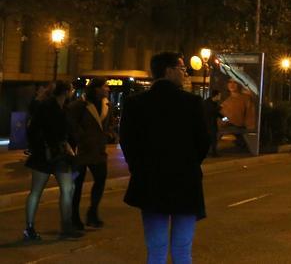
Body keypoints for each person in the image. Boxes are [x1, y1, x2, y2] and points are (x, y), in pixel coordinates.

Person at [121, 52, 210, 264]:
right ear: (168, 71)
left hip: (150, 182)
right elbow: (203, 142)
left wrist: (140, 168)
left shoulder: (135, 103)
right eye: (182, 68)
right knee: (182, 250)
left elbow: (128, 142)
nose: (185, 73)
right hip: (185, 182)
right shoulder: (192, 103)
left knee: (156, 249)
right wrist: (188, 163)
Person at [24, 81, 80, 241]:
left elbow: (33, 129)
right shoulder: (55, 108)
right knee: (64, 189)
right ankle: (64, 227)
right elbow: (40, 130)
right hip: (51, 154)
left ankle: (31, 227)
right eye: (71, 89)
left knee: (46, 190)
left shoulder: (51, 107)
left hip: (49, 154)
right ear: (67, 92)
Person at [67, 79, 111, 229]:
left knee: (100, 180)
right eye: (105, 86)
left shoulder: (106, 105)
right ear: (96, 89)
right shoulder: (79, 105)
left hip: (98, 151)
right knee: (77, 186)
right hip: (82, 152)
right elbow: (72, 125)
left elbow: (105, 125)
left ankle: (92, 213)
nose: (108, 89)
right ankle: (74, 217)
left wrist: (108, 134)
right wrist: (81, 137)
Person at [220, 81, 255, 152]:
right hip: (227, 125)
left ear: (239, 85)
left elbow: (250, 114)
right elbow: (222, 116)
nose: (232, 85)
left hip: (239, 126)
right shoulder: (227, 101)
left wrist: (250, 127)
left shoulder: (246, 98)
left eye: (234, 82)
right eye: (230, 82)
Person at [202, 91, 222, 157]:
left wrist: (225, 119)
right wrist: (220, 108)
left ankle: (213, 153)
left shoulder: (214, 103)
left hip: (212, 124)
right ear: (216, 96)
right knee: (210, 139)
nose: (220, 97)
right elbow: (211, 111)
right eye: (219, 95)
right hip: (207, 124)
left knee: (213, 139)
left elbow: (217, 113)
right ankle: (212, 153)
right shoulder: (207, 102)